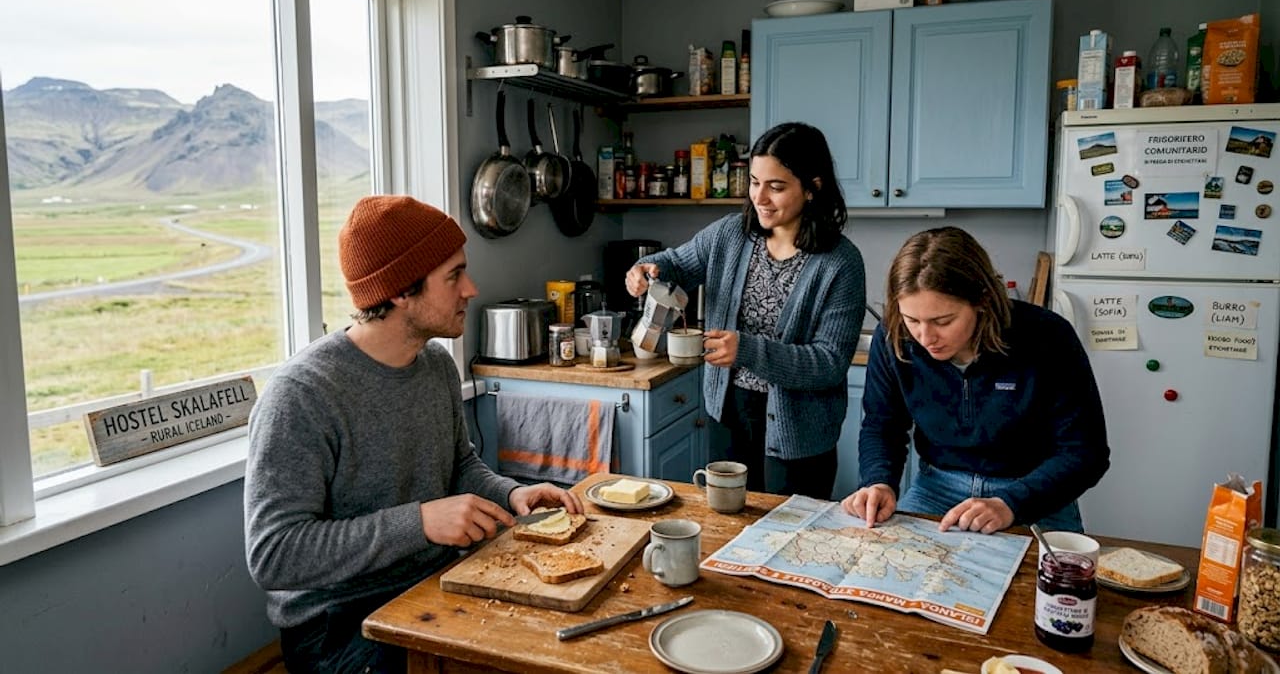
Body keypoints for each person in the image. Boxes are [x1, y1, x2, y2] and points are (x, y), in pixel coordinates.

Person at [244, 195, 582, 674]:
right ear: (401, 291)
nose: (471, 289)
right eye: (454, 275)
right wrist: (420, 523)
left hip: (434, 585)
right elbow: (274, 554)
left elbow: (459, 465)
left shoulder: (436, 364)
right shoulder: (301, 395)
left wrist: (512, 494)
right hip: (341, 629)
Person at [625, 122, 865, 498]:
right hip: (729, 414)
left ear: (813, 187)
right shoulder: (730, 234)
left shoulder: (841, 263)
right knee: (729, 522)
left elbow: (829, 363)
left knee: (789, 531)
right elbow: (676, 264)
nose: (760, 198)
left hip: (800, 433)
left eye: (776, 187)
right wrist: (646, 269)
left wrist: (747, 350)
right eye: (755, 182)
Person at [842, 226, 1109, 534]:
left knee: (1058, 568)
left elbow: (1085, 452)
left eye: (943, 321)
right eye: (912, 320)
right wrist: (878, 481)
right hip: (937, 489)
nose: (925, 338)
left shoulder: (1048, 336)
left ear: (982, 300)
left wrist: (1011, 503)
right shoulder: (894, 338)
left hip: (1033, 493)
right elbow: (882, 425)